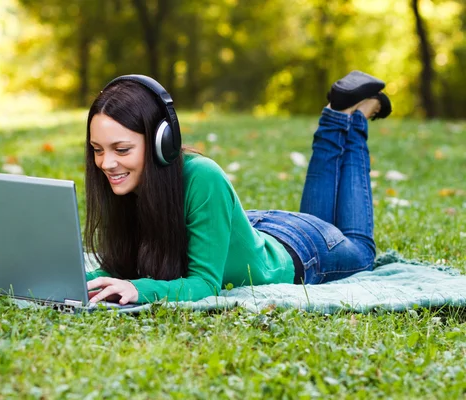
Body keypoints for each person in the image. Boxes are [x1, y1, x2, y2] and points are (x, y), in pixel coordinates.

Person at [84, 71, 392, 305]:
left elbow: (205, 284)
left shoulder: (202, 177)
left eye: (122, 150)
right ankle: (337, 115)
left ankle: (354, 118)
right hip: (260, 230)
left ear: (161, 142)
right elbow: (120, 266)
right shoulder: (125, 184)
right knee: (324, 224)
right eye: (97, 149)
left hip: (302, 252)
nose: (107, 163)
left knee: (361, 251)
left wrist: (139, 289)